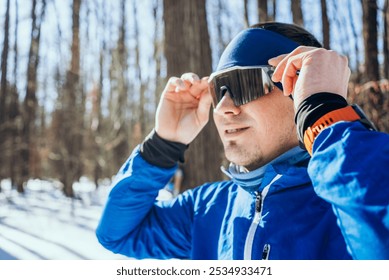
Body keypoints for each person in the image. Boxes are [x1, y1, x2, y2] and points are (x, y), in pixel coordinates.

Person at [96, 22, 389, 260]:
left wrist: (325, 113)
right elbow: (118, 234)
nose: (224, 107)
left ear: (300, 90)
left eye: (245, 85)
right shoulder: (208, 208)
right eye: (218, 89)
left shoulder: (345, 204)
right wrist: (163, 145)